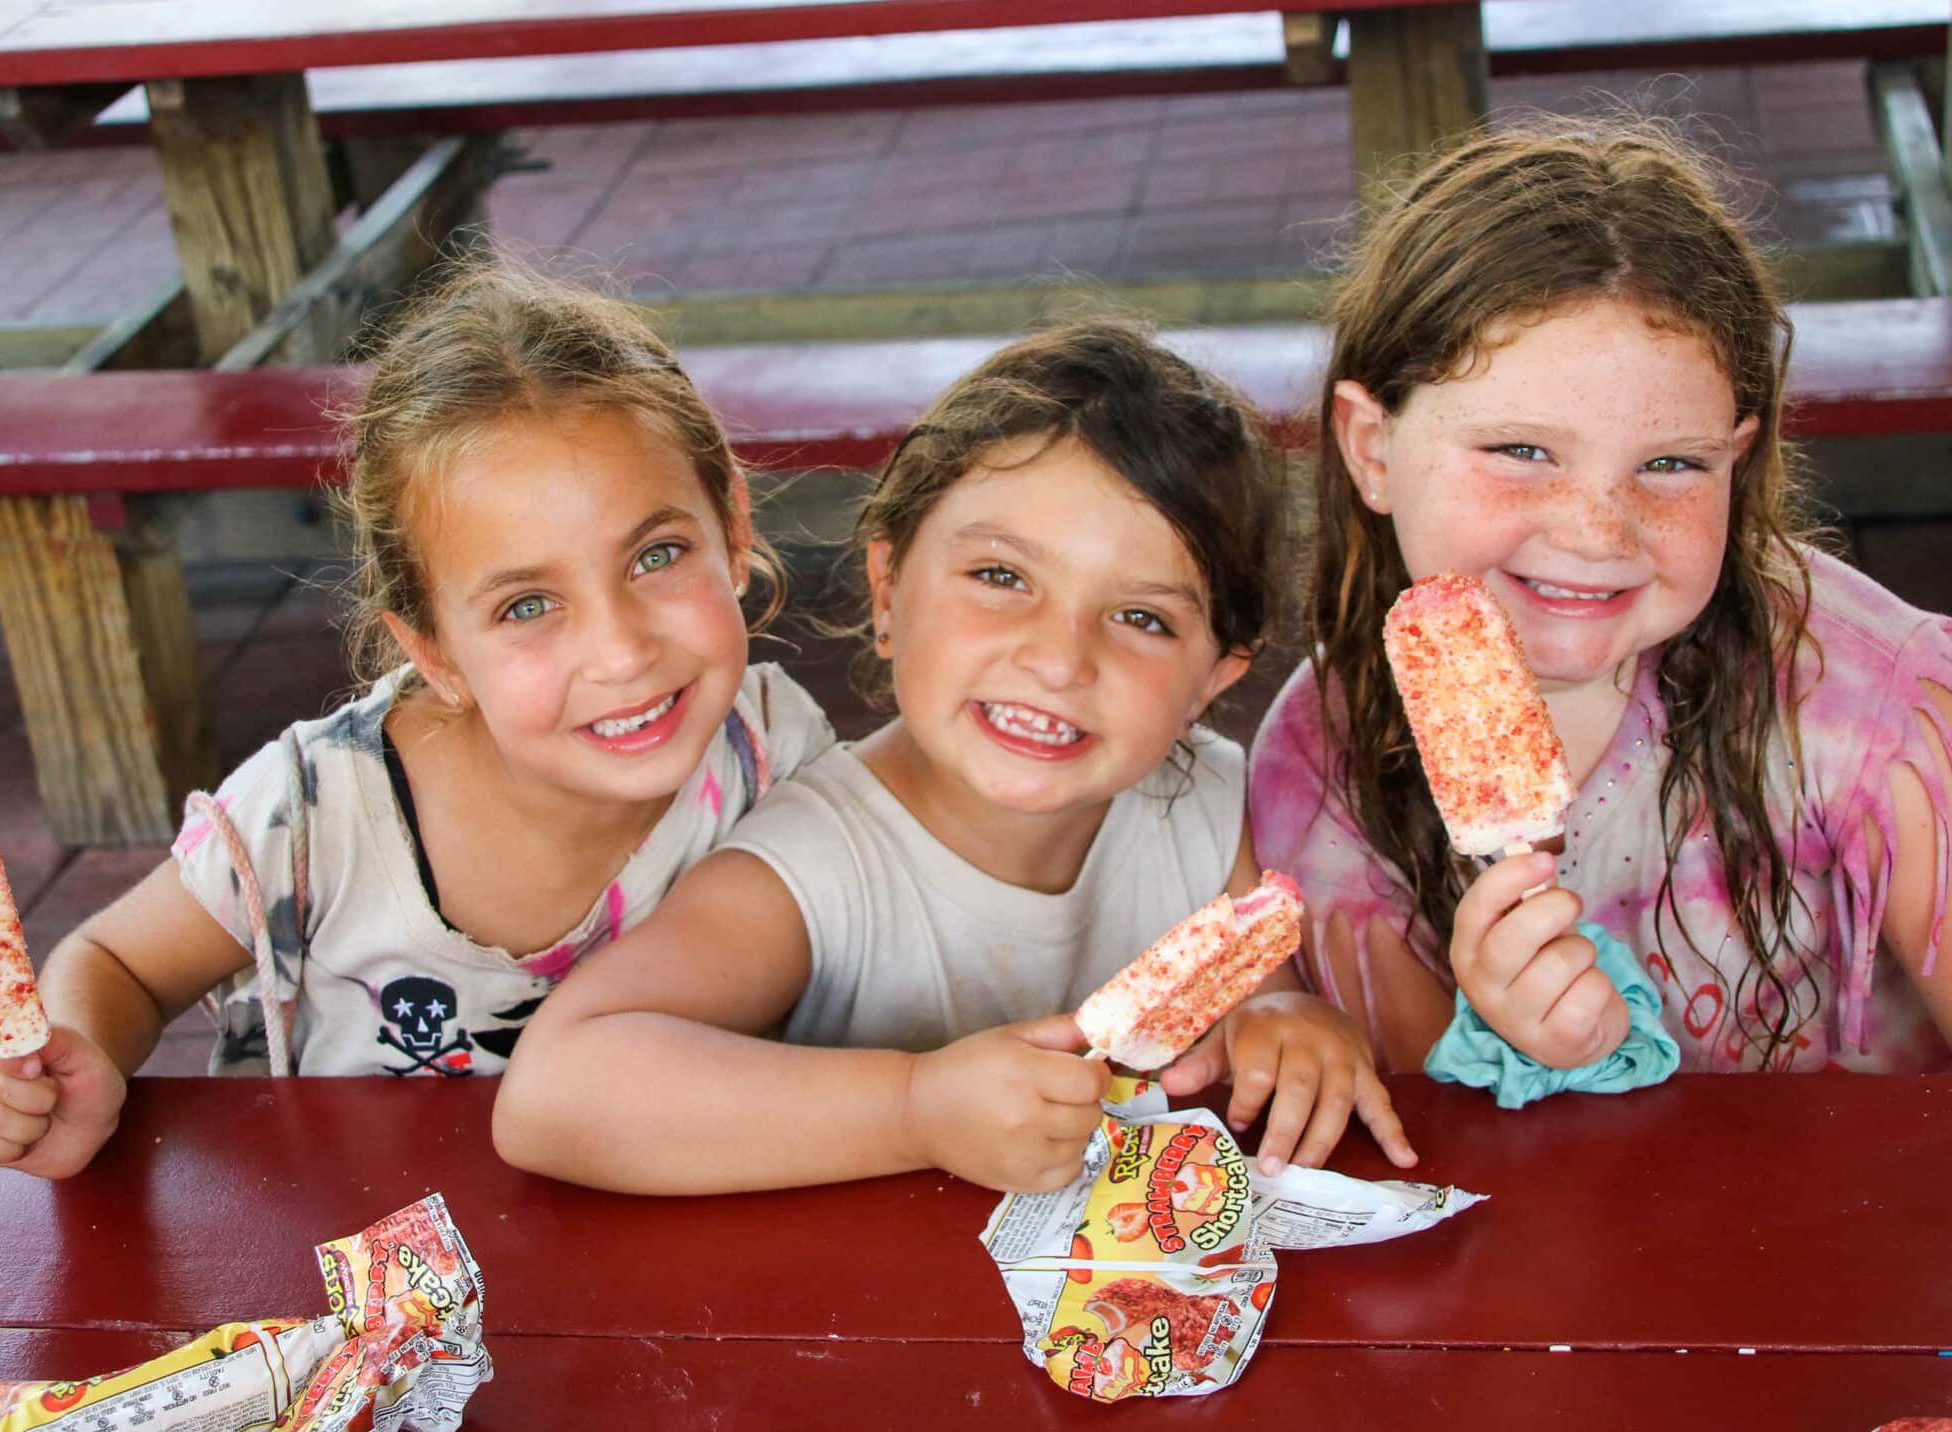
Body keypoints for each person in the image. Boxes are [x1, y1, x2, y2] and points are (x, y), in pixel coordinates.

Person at [1251, 122, 1952, 1078]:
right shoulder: (1324, 757)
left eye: (1672, 464)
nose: (1598, 532)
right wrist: (1515, 1049)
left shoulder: (1874, 709)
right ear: (1371, 447)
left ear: (1741, 458)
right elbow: (1431, 1149)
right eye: (1521, 451)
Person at [495, 321, 1416, 1196]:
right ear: (888, 590)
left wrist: (1288, 1023)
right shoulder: (819, 863)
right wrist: (916, 1110)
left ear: (1211, 680)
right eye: (1002, 577)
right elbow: (555, 1092)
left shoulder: (1205, 808)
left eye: (1142, 618)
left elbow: (1268, 996)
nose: (1060, 660)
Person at [0, 259, 833, 1178]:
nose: (621, 653)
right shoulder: (311, 815)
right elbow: (119, 963)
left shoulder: (775, 754)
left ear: (733, 530)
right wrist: (76, 1059)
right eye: (526, 606)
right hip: (354, 1290)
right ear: (436, 654)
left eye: (657, 555)